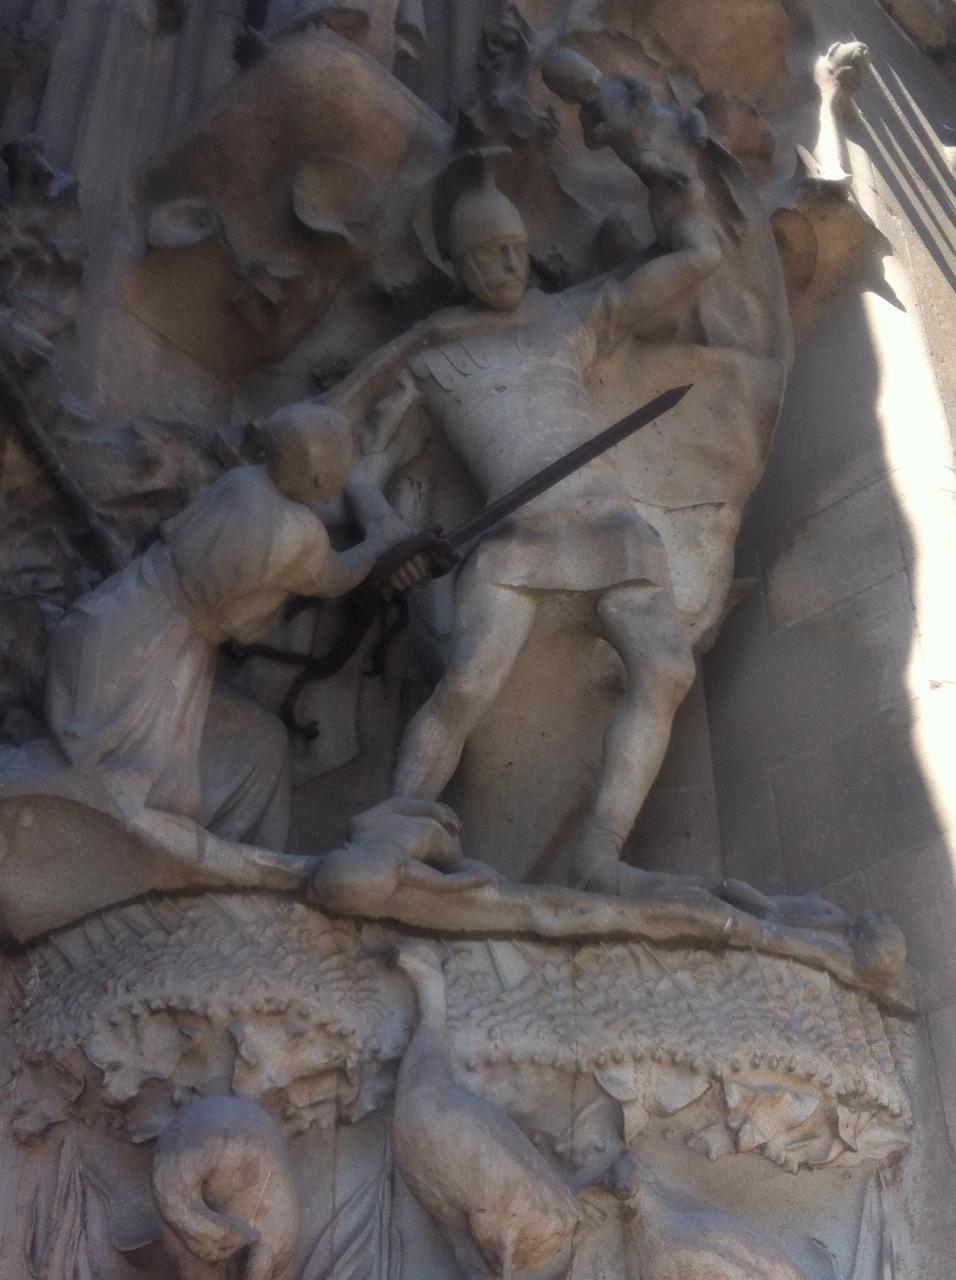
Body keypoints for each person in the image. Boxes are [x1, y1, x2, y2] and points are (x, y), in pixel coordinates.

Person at [327, 158, 725, 897]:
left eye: (517, 248)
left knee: (667, 671)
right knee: (465, 685)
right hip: (519, 538)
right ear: (459, 264)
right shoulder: (428, 358)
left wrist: (672, 183)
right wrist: (390, 539)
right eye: (491, 254)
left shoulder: (567, 316)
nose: (511, 265)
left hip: (611, 523)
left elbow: (696, 260)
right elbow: (360, 465)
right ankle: (390, 829)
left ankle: (600, 856)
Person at [43, 403, 407, 850]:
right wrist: (379, 542)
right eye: (334, 479)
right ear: (318, 481)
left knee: (217, 757)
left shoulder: (241, 481)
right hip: (155, 656)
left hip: (117, 610)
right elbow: (338, 576)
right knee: (149, 789)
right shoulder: (298, 532)